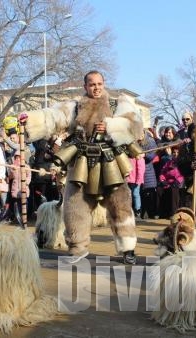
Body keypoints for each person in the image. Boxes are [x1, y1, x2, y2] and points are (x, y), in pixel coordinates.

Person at [19, 70, 144, 264]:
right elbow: (54, 116)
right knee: (75, 207)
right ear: (85, 86)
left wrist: (111, 126)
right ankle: (77, 249)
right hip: (81, 163)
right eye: (92, 84)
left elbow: (135, 125)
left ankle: (128, 249)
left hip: (111, 162)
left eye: (99, 84)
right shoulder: (75, 107)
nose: (96, 87)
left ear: (104, 84)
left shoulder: (118, 104)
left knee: (120, 207)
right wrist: (31, 119)